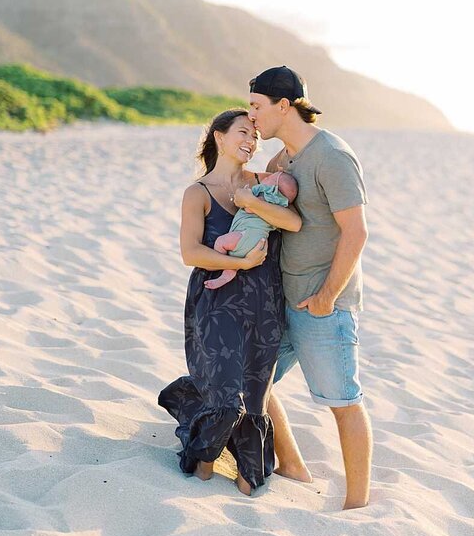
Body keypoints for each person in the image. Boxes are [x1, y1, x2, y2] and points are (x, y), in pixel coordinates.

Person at [246, 66, 372, 511]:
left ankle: (357, 505)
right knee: (254, 380)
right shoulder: (286, 159)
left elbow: (355, 233)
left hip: (323, 305)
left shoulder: (332, 156)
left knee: (343, 402)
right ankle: (293, 465)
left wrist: (326, 298)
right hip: (283, 297)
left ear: (284, 106)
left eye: (257, 106)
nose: (252, 115)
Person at [158, 110, 302, 494]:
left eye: (255, 135)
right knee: (225, 397)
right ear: (219, 137)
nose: (251, 140)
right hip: (216, 302)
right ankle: (202, 462)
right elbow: (191, 253)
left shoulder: (265, 184)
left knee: (255, 399)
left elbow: (294, 222)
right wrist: (238, 262)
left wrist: (251, 202)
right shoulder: (198, 193)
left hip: (265, 303)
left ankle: (248, 479)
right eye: (243, 132)